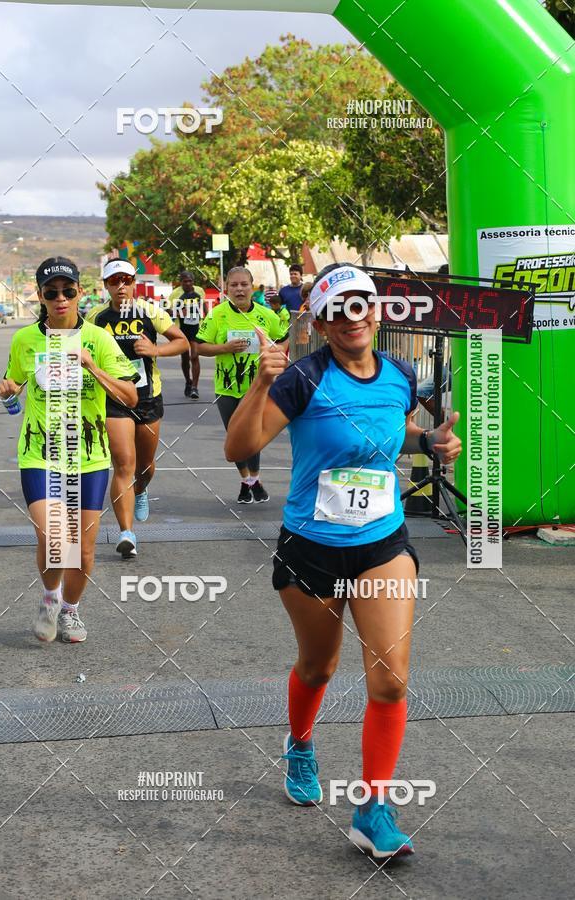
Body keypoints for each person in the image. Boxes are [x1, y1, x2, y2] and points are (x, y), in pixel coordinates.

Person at [224, 262, 462, 857]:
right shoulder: (302, 379)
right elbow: (240, 447)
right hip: (312, 548)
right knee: (318, 666)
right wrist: (259, 385)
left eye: (361, 305)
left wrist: (429, 441)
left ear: (376, 313)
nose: (352, 317)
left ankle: (373, 807)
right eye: (338, 309)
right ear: (325, 322)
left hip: (383, 543)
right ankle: (300, 744)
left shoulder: (401, 376)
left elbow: (391, 430)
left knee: (390, 678)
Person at [0, 256, 139, 643]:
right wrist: (9, 395)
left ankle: (70, 611)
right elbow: (13, 396)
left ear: (79, 292)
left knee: (85, 549)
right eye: (51, 292)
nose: (60, 298)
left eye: (68, 291)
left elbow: (129, 396)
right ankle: (49, 598)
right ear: (41, 297)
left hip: (88, 455)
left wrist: (93, 366)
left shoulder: (98, 338)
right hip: (40, 452)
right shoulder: (25, 340)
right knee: (54, 535)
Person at [87, 258, 188, 558]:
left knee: (144, 467)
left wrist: (155, 349)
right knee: (123, 464)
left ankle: (141, 489)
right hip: (114, 398)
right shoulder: (95, 316)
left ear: (134, 283)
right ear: (105, 285)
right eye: (114, 281)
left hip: (147, 397)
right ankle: (126, 533)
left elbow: (182, 342)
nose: (120, 287)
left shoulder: (149, 311)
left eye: (126, 281)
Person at [196, 266, 288, 504]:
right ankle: (248, 480)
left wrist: (275, 352)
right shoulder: (217, 315)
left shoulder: (267, 316)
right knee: (235, 436)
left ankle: (251, 480)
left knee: (253, 435)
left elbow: (284, 336)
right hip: (226, 387)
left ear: (252, 287)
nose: (239, 289)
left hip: (257, 388)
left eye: (243, 284)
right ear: (227, 288)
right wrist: (224, 348)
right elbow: (199, 346)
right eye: (234, 285)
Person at [168, 271, 206, 399]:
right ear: (181, 282)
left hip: (196, 327)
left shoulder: (200, 291)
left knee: (194, 356)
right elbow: (168, 310)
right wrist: (178, 312)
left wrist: (206, 319)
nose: (188, 283)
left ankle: (195, 387)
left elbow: (204, 305)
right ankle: (188, 381)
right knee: (185, 358)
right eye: (185, 281)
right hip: (182, 329)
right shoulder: (175, 294)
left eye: (190, 281)